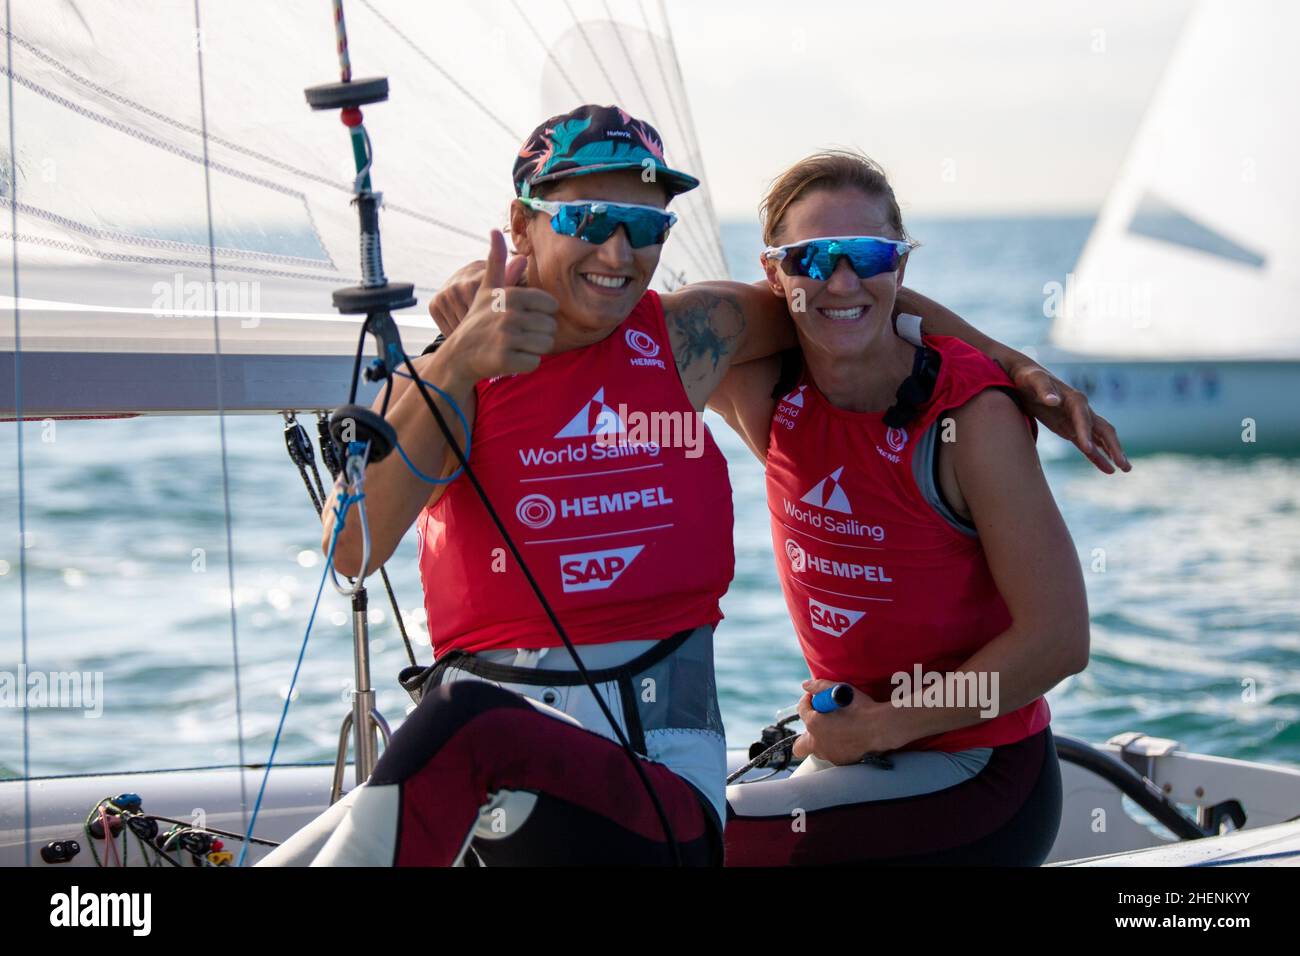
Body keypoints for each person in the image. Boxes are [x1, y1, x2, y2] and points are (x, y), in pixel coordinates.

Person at [265, 105, 1120, 867]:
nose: (618, 249)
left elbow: (848, 299)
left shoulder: (690, 339)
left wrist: (1013, 365)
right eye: (589, 218)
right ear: (523, 225)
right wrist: (455, 360)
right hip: (522, 787)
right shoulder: (451, 374)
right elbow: (354, 551)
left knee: (466, 729)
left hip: (674, 783)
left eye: (645, 227)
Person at [712, 151, 1092, 865]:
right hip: (851, 755)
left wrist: (886, 726)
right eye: (812, 258)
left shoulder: (970, 416)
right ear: (774, 273)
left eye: (868, 254)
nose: (842, 279)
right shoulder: (759, 386)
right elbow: (634, 318)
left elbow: (1060, 639)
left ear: (902, 267)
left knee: (693, 844)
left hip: (978, 777)